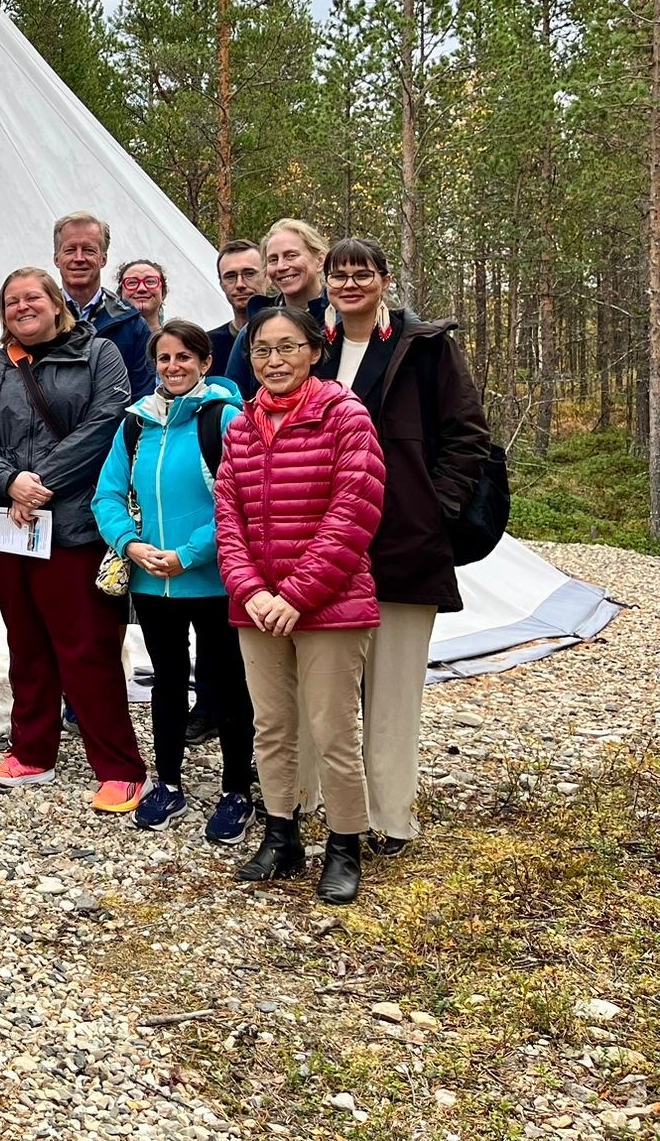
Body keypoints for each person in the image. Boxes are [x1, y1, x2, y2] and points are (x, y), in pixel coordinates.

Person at [318, 239, 491, 857]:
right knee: (327, 685)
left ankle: (392, 817)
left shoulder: (424, 347)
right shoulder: (315, 347)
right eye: (339, 274)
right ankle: (328, 805)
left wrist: (435, 507)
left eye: (362, 273)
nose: (350, 283)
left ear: (385, 280)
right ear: (326, 283)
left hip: (403, 539)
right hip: (325, 541)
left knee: (392, 688)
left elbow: (467, 435)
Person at [0, 267, 146, 812]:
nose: (22, 306)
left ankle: (119, 765)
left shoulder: (98, 355)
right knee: (27, 640)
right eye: (11, 300)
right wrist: (9, 481)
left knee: (85, 645)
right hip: (5, 525)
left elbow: (107, 421)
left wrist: (39, 485)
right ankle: (33, 751)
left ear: (57, 303)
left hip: (73, 526)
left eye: (32, 296)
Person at [216, 304, 386, 904]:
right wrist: (253, 590)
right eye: (263, 349)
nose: (274, 360)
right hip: (258, 605)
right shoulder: (240, 426)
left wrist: (296, 594)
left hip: (330, 603)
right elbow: (227, 519)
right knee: (272, 726)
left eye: (288, 347)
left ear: (315, 351)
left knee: (332, 728)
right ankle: (281, 833)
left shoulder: (345, 416)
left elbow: (354, 514)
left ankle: (344, 843)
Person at [91, 319, 255, 839]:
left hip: (212, 580)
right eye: (164, 358)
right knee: (166, 684)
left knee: (227, 685)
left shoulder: (224, 419)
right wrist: (131, 545)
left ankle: (236, 790)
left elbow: (240, 501)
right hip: (151, 581)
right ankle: (169, 784)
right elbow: (108, 494)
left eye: (185, 357)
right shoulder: (136, 424)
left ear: (206, 363)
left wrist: (187, 554)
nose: (173, 366)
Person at [52, 211, 153, 398]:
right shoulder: (42, 320)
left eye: (89, 250)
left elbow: (143, 399)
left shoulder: (132, 325)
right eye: (70, 250)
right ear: (57, 259)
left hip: (117, 426)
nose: (79, 258)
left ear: (103, 259)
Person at [228, 220, 330, 399]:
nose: (282, 266)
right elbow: (234, 401)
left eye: (291, 255)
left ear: (320, 260)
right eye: (273, 260)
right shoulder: (253, 331)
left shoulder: (343, 321)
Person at [207, 241, 264, 377]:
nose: (240, 284)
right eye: (230, 277)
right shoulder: (207, 346)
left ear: (266, 276)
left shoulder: (292, 335)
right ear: (221, 284)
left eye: (249, 274)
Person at [116, 259, 168, 339]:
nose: (142, 288)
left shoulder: (178, 341)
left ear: (163, 293)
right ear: (120, 294)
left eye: (150, 282)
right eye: (132, 283)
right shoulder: (107, 337)